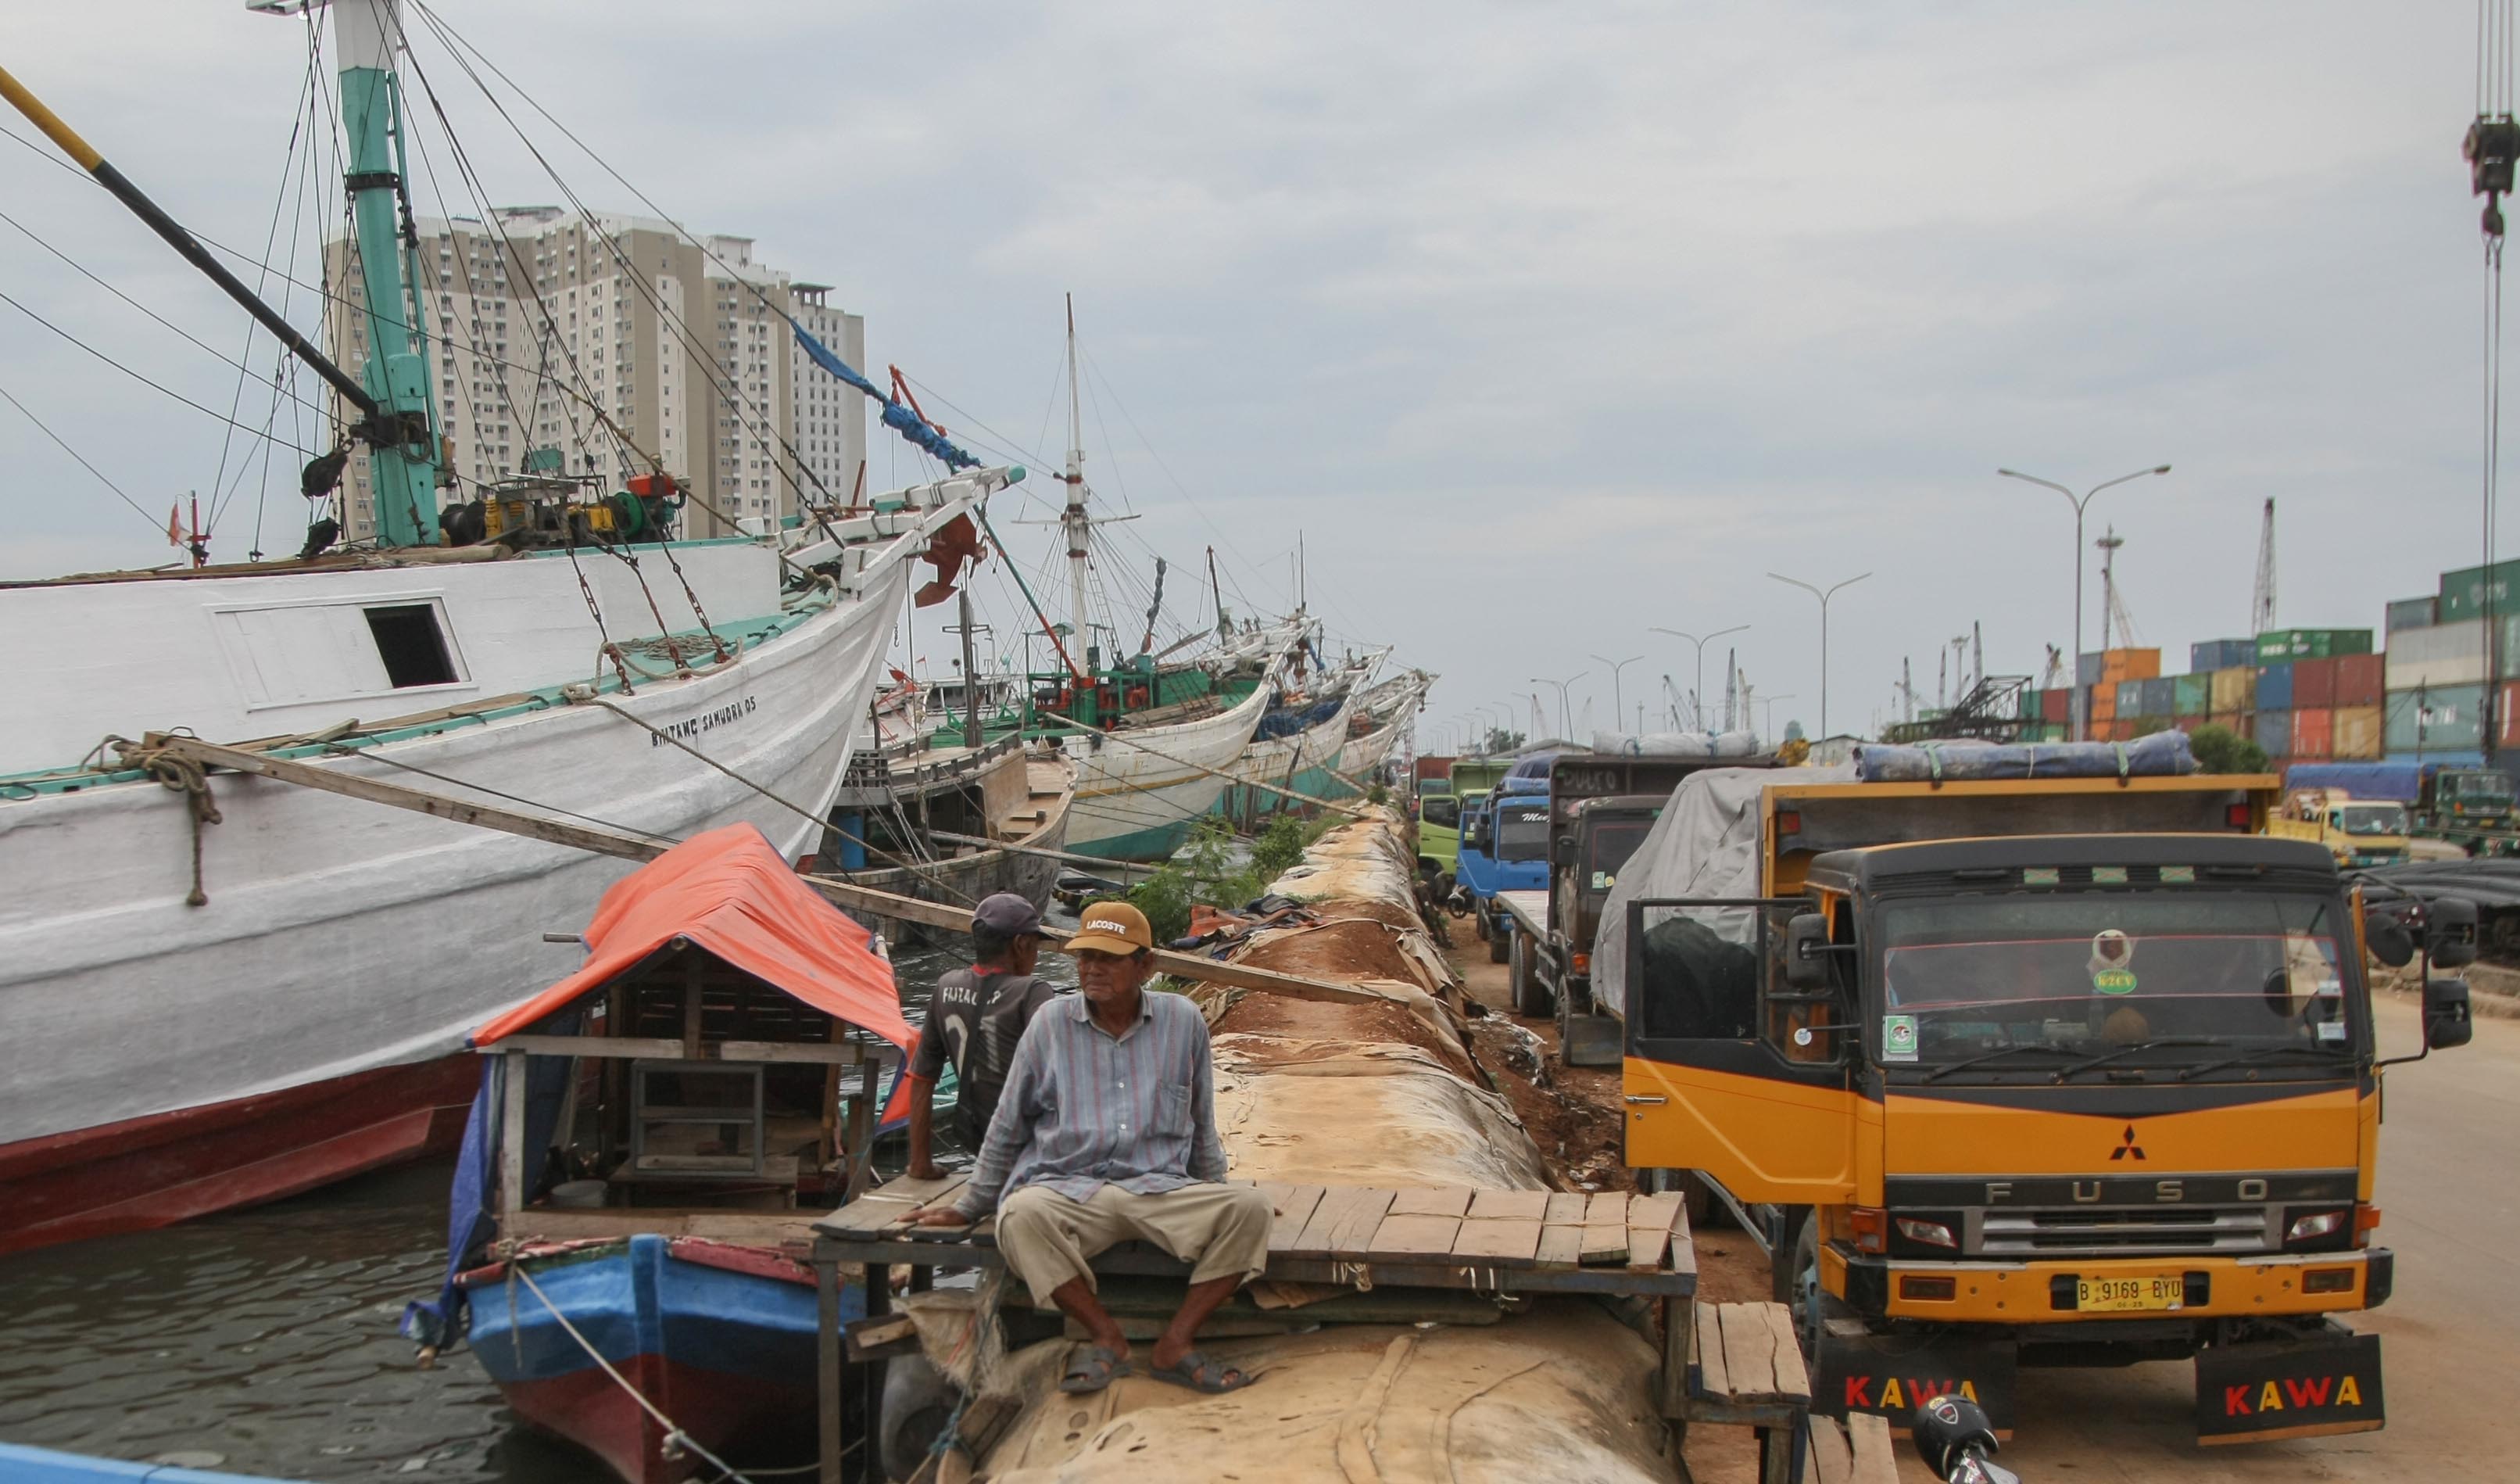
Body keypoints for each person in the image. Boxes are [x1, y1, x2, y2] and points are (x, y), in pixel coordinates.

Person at [908, 901, 1270, 1396]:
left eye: (1109, 958)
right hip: (1071, 1189)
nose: (1092, 968)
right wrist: (971, 1204)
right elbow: (1009, 1124)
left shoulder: (1182, 1020)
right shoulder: (1051, 1023)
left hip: (1158, 1189)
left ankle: (1176, 1343)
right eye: (1085, 957)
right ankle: (1107, 1337)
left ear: (1147, 966)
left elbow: (1201, 1123)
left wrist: (1214, 1197)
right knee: (1019, 1215)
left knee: (1250, 1210)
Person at [904, 893, 1060, 1181]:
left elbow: (922, 1078)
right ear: (1020, 945)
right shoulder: (1032, 991)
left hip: (976, 1135)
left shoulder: (945, 986)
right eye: (1036, 946)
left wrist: (920, 1163)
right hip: (1026, 1142)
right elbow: (1059, 1071)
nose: (1036, 956)